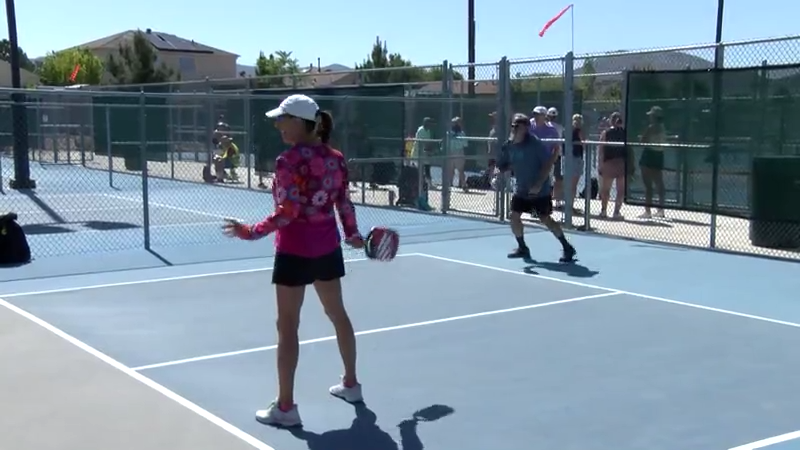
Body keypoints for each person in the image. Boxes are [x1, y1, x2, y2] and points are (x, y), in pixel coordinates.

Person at [222, 94, 365, 428]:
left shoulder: (288, 160)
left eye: (283, 119)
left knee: (287, 326)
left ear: (300, 123)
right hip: (327, 247)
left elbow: (289, 212)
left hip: (294, 250)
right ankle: (351, 385)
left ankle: (286, 408)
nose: (278, 125)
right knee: (338, 315)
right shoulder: (336, 158)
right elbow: (343, 203)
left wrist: (250, 232)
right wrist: (353, 234)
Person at [496, 113, 577, 262]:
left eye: (518, 125)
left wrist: (539, 183)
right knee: (514, 216)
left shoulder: (535, 144)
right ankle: (522, 247)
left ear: (526, 128)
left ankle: (567, 247)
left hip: (539, 191)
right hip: (521, 189)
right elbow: (502, 164)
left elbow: (547, 164)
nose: (514, 128)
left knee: (544, 218)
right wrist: (500, 168)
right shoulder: (508, 145)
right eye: (513, 125)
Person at [598, 112, 629, 219]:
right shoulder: (625, 133)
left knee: (607, 189)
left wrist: (600, 164)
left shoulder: (606, 133)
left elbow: (601, 150)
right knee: (618, 190)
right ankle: (615, 212)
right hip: (619, 162)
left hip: (611, 162)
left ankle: (604, 210)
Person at [638, 106, 667, 219]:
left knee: (648, 185)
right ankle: (660, 209)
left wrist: (642, 137)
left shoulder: (651, 127)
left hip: (649, 154)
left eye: (651, 115)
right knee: (659, 182)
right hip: (659, 154)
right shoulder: (663, 128)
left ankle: (648, 210)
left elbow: (643, 140)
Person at [445, 117, 468, 192]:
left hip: (458, 152)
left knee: (460, 170)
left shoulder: (461, 133)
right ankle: (449, 184)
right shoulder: (449, 133)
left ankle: (463, 185)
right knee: (451, 170)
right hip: (452, 152)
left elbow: (465, 144)